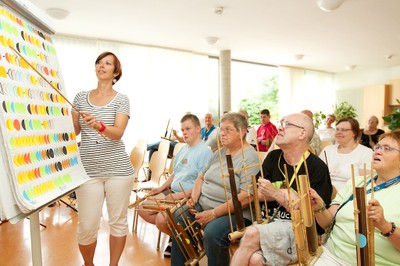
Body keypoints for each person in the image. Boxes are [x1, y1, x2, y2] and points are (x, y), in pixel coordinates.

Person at [230, 113, 332, 266]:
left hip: (298, 230)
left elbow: (314, 219)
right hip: (267, 222)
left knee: (251, 233)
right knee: (255, 260)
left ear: (302, 133)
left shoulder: (317, 168)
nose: (279, 128)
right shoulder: (273, 158)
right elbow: (255, 194)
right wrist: (286, 194)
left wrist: (274, 192)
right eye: (281, 123)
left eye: (286, 125)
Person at [170, 112, 260, 266]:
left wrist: (213, 213)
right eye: (221, 129)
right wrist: (193, 200)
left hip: (235, 214)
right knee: (178, 217)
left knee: (212, 233)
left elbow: (247, 196)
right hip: (203, 204)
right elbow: (201, 178)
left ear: (242, 132)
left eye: (228, 130)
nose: (222, 134)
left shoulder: (249, 157)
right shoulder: (220, 152)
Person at [71, 51, 134, 266]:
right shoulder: (80, 97)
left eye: (108, 63)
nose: (101, 65)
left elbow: (117, 133)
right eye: (99, 62)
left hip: (119, 171)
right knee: (87, 226)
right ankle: (89, 264)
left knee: (118, 222)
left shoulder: (122, 100)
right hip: (88, 171)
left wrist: (99, 125)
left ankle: (113, 265)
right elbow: (73, 132)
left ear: (116, 72)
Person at [310, 131, 400, 265]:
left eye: (387, 148)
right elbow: (327, 222)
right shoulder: (356, 182)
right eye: (378, 147)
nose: (378, 151)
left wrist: (385, 226)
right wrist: (319, 208)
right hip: (333, 257)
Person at [137, 113, 212, 257]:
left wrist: (178, 195)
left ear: (198, 129)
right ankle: (181, 236)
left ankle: (183, 240)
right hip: (172, 192)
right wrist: (161, 188)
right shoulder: (183, 149)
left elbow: (202, 183)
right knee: (142, 208)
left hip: (188, 196)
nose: (184, 132)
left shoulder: (205, 152)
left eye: (188, 129)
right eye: (182, 130)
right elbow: (174, 174)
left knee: (161, 219)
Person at [319, 117, 373, 191]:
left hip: (350, 195)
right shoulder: (327, 150)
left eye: (344, 130)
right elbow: (318, 174)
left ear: (354, 133)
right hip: (324, 192)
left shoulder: (366, 152)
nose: (338, 132)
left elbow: (364, 182)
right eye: (337, 129)